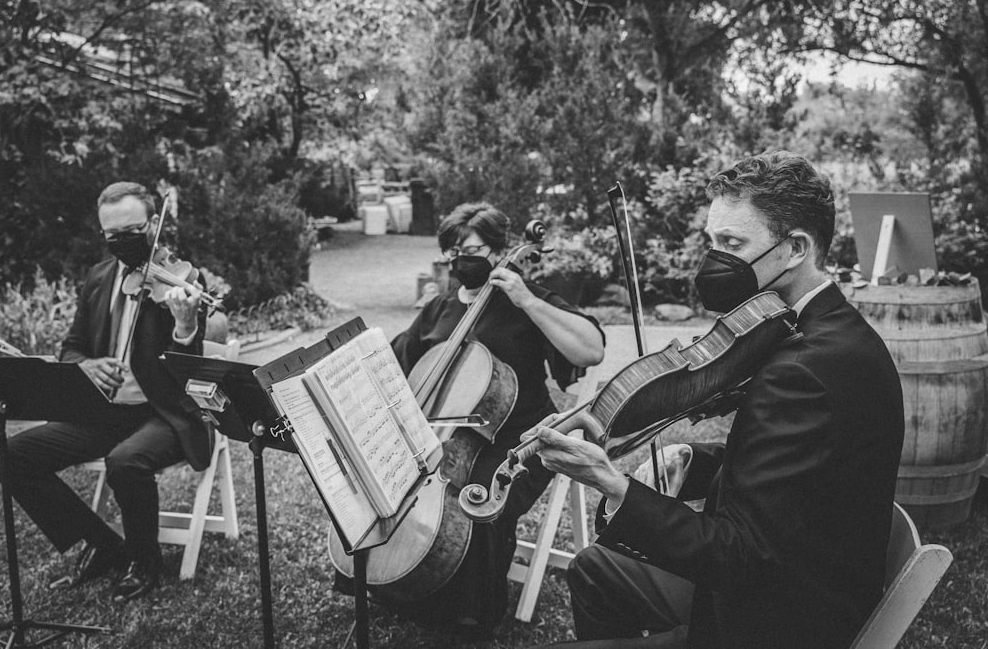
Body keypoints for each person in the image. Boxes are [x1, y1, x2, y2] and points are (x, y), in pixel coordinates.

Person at [526, 151, 905, 648]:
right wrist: (695, 460)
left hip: (779, 619)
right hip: (791, 575)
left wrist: (609, 481)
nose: (714, 260)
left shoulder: (807, 369)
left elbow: (741, 554)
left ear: (795, 248)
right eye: (712, 242)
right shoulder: (813, 329)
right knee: (596, 567)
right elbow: (788, 471)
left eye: (732, 243)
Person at [386, 202, 605, 635]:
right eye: (452, 251)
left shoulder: (527, 299)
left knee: (477, 495)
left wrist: (525, 299)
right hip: (445, 434)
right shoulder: (439, 307)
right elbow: (399, 360)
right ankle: (405, 580)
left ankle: (470, 610)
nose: (459, 259)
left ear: (498, 250)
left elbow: (591, 349)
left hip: (522, 435)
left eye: (471, 249)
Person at [0, 182, 213, 602]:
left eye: (132, 231)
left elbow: (191, 371)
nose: (121, 242)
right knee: (8, 456)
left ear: (153, 225)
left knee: (125, 461)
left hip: (161, 413)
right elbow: (71, 347)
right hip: (103, 412)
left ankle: (145, 562)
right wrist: (88, 366)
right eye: (112, 235)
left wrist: (185, 328)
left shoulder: (183, 278)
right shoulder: (98, 278)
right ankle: (106, 545)